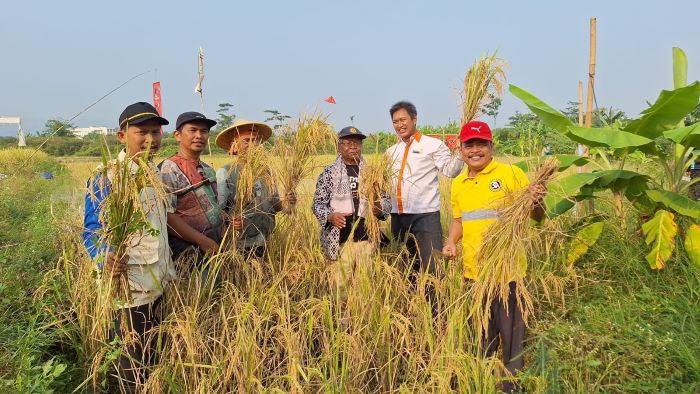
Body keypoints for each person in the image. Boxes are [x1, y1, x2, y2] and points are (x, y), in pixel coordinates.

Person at [442, 121, 546, 393]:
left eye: (481, 144)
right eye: (469, 145)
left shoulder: (511, 174)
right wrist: (451, 242)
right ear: (461, 149)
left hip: (507, 275)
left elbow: (536, 217)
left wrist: (536, 201)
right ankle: (482, 384)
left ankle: (511, 388)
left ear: (491, 146)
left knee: (512, 344)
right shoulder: (458, 184)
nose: (475, 150)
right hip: (474, 276)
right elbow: (458, 220)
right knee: (480, 340)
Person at [82, 102, 175, 390]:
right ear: (122, 136)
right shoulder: (106, 176)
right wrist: (104, 257)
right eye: (142, 132)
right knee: (131, 362)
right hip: (129, 287)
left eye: (156, 132)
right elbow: (91, 229)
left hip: (159, 280)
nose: (152, 139)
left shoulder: (153, 173)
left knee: (151, 353)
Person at [386, 101, 464, 278]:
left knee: (432, 269)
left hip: (425, 216)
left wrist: (460, 151)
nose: (399, 125)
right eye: (395, 121)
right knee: (405, 268)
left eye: (403, 120)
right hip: (397, 217)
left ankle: (435, 305)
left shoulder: (432, 145)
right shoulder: (391, 152)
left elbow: (451, 170)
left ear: (414, 119)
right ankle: (411, 304)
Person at [311, 126, 391, 296]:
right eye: (348, 143)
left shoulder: (372, 173)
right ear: (339, 147)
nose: (353, 146)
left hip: (366, 240)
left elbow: (386, 202)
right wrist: (330, 216)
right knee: (339, 288)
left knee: (364, 287)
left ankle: (362, 320)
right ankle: (342, 322)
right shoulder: (329, 173)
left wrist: (379, 208)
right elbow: (317, 204)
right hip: (340, 240)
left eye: (357, 143)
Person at [215, 118, 296, 258]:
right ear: (234, 146)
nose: (253, 145)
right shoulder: (226, 172)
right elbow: (218, 210)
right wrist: (231, 220)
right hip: (240, 243)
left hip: (264, 239)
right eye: (247, 141)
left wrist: (287, 201)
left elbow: (274, 204)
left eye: (256, 140)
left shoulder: (266, 172)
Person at [159, 112, 223, 283]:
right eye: (192, 130)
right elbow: (166, 216)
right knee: (195, 299)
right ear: (177, 135)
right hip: (188, 249)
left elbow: (213, 204)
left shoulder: (207, 168)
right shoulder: (169, 169)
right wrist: (202, 241)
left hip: (212, 245)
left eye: (204, 131)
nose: (199, 136)